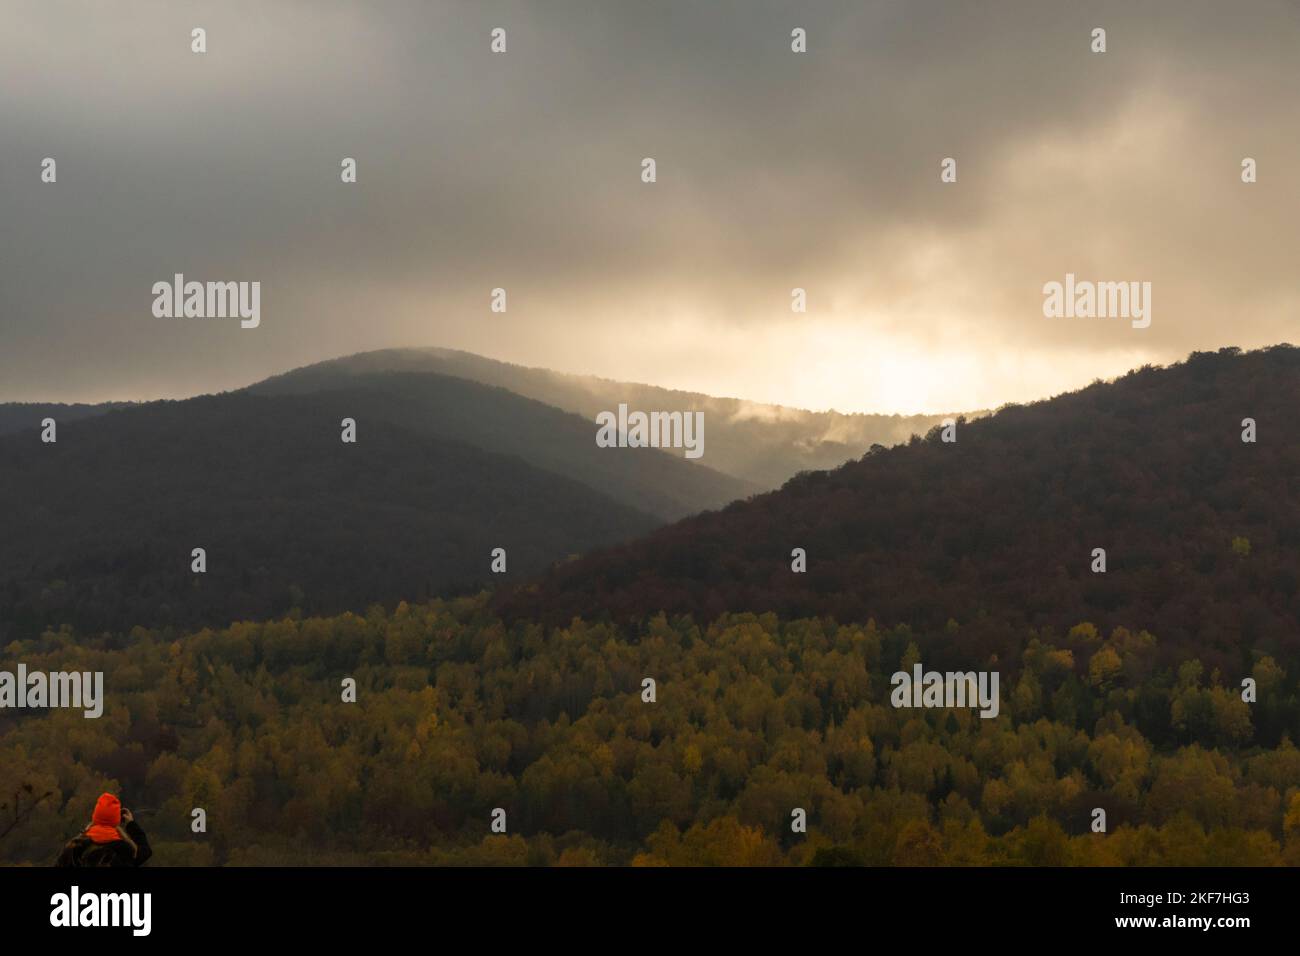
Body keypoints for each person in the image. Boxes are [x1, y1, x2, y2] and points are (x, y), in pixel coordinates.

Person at [56, 792, 152, 867]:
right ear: (116, 820)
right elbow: (145, 851)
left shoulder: (74, 847)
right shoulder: (125, 849)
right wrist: (131, 824)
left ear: (95, 817)